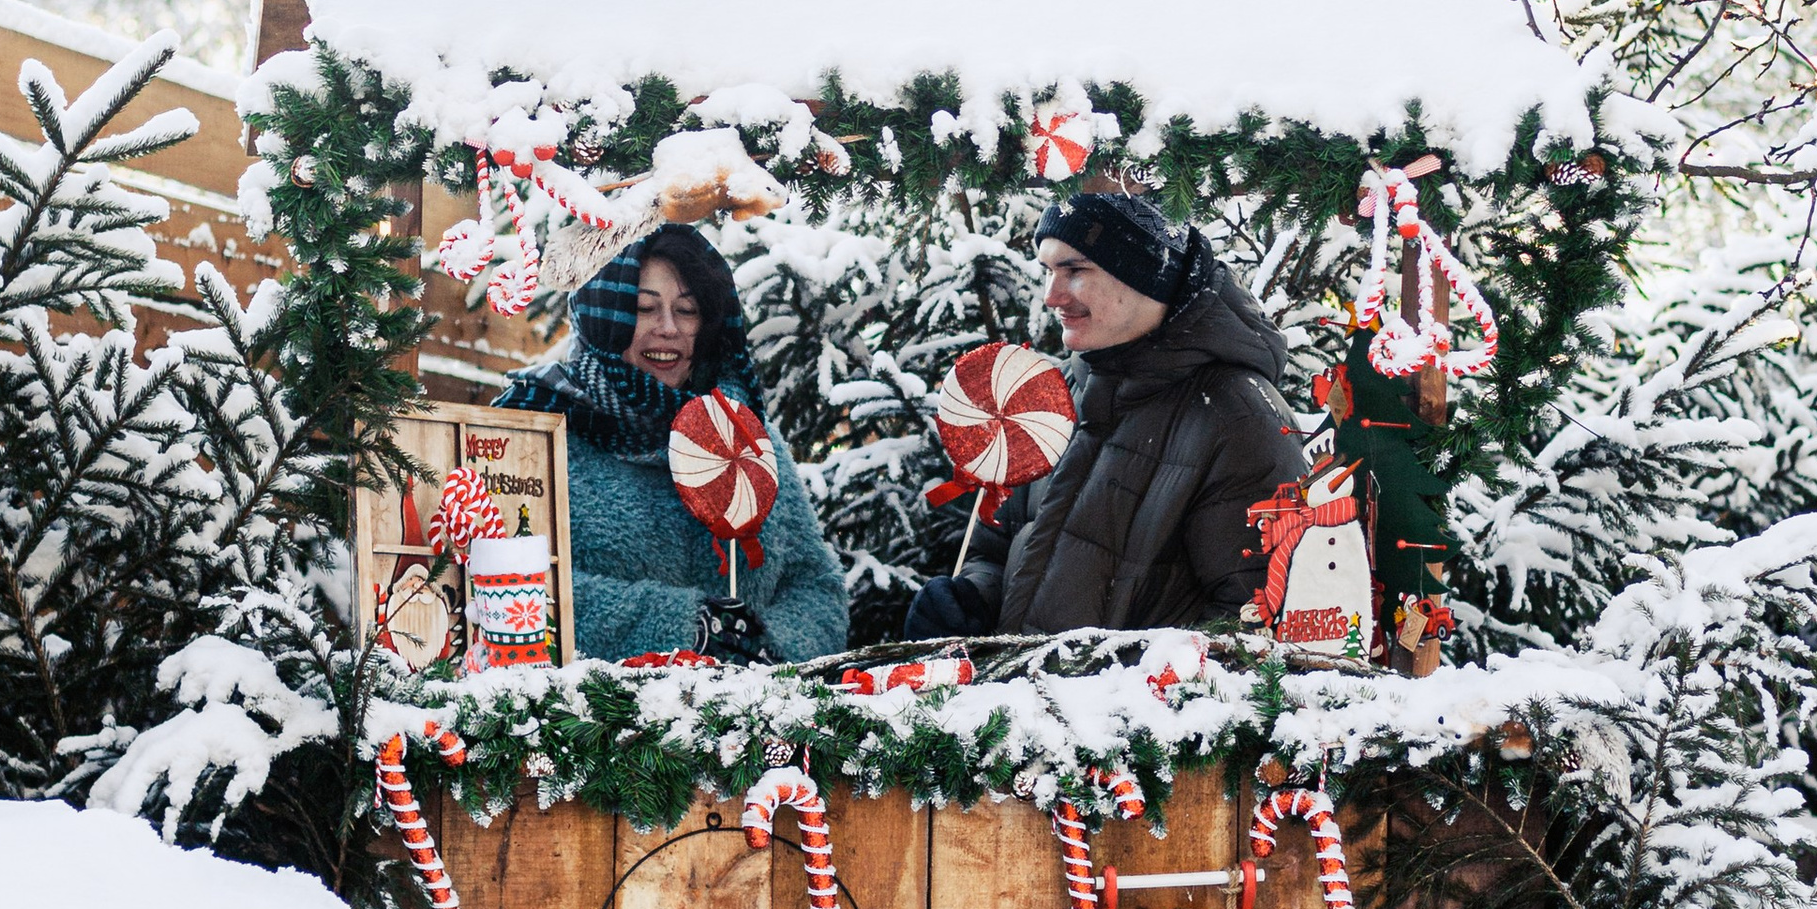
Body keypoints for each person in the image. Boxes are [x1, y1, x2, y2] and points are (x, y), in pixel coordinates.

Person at [904, 180, 1307, 641]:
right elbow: (994, 551)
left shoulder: (1238, 418)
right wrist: (971, 600)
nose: (1051, 296)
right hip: (1017, 706)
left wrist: (1106, 693)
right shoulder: (1046, 399)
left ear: (1145, 274)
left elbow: (1253, 628)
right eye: (1048, 270)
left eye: (1074, 270)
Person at [495, 227, 849, 664]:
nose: (668, 329)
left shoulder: (747, 439)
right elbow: (508, 584)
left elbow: (814, 581)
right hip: (592, 721)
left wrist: (768, 648)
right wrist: (682, 627)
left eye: (687, 310)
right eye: (643, 308)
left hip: (749, 721)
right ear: (604, 318)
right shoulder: (539, 433)